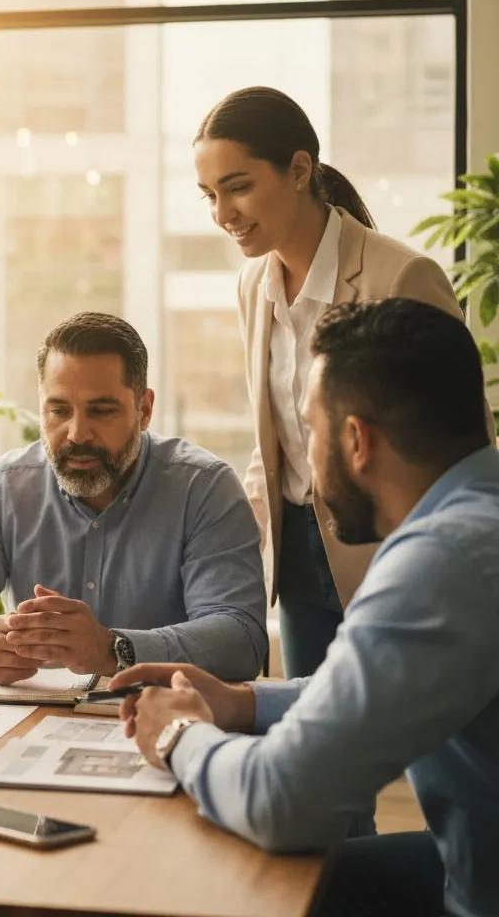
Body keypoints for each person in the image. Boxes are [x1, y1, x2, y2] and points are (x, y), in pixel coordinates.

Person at [110, 299, 499, 917]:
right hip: (472, 855)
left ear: (356, 440)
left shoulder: (443, 560)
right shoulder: (479, 518)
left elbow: (282, 800)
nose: (305, 458)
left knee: (227, 879)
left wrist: (180, 734)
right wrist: (241, 703)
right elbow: (376, 682)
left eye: (309, 429)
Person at [193, 86, 476, 679]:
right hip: (297, 558)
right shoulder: (253, 286)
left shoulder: (401, 276)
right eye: (210, 195)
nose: (223, 214)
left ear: (299, 170)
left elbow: (462, 447)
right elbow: (273, 441)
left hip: (389, 551)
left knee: (407, 743)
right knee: (307, 733)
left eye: (238, 186)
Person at [0, 312, 267, 684]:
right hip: (34, 724)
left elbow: (241, 640)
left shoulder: (203, 489)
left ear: (143, 410)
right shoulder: (3, 488)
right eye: (59, 410)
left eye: (101, 411)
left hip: (167, 722)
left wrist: (114, 649)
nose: (77, 434)